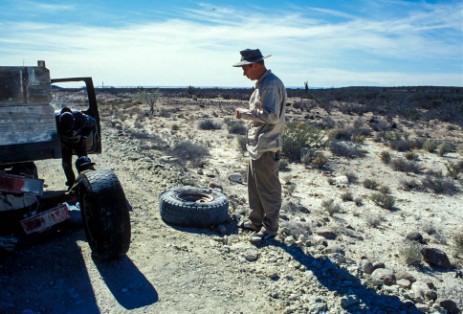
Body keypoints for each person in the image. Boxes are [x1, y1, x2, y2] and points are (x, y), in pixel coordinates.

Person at [233, 48, 287, 244]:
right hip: (258, 144)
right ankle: (256, 222)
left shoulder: (270, 85)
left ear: (255, 65)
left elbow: (272, 116)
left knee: (268, 190)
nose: (244, 73)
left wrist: (245, 113)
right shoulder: (263, 84)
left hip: (266, 145)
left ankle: (269, 228)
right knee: (255, 187)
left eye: (245, 68)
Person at [57, 107, 97, 188]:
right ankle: (71, 184)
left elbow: (93, 123)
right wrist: (59, 142)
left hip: (78, 141)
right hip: (64, 142)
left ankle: (87, 182)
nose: (68, 131)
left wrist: (84, 137)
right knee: (66, 164)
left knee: (84, 161)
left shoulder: (81, 118)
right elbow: (50, 133)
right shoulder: (53, 120)